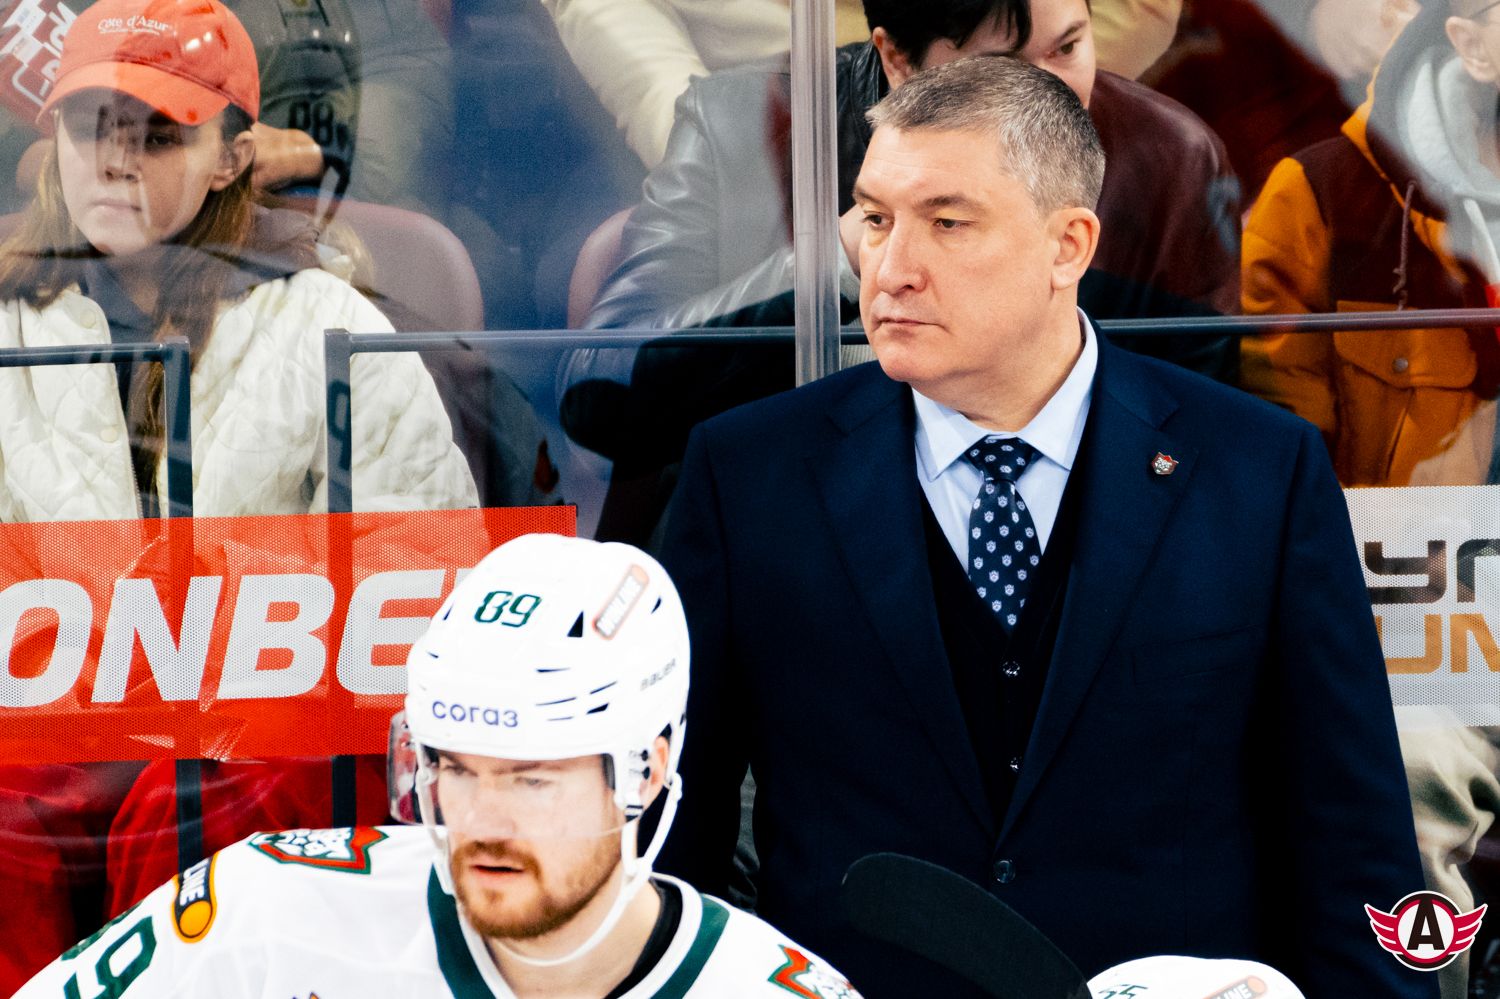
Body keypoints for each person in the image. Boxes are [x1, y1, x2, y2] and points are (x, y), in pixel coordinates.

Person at [655, 55, 1432, 999]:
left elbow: (1354, 842)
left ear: (1069, 245)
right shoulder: (748, 477)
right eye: (875, 218)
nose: (891, 269)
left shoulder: (1260, 473)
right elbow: (674, 848)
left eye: (947, 222)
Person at [0, 0, 476, 990]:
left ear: (230, 158)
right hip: (52, 723)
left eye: (157, 135)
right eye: (90, 128)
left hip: (258, 724)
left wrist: (227, 627)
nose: (115, 161)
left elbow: (425, 576)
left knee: (195, 802)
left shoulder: (329, 319)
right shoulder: (6, 324)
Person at [13, 533, 866, 998]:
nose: (481, 821)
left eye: (532, 777)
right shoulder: (266, 908)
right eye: (456, 767)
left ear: (646, 768)